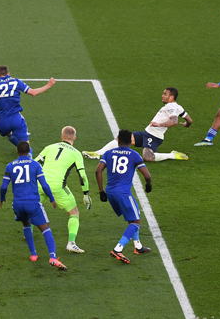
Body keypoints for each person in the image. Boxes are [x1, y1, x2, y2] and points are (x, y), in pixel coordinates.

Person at [0, 141, 67, 270]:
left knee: (26, 224)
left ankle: (33, 255)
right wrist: (52, 199)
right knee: (45, 228)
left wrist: (2, 198)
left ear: (18, 152)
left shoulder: (10, 166)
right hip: (33, 203)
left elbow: (4, 186)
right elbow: (44, 185)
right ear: (29, 150)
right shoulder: (35, 165)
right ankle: (52, 257)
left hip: (18, 204)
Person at [83, 88, 192, 162]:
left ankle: (172, 155)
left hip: (154, 137)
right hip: (147, 133)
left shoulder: (170, 107)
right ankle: (97, 153)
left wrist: (159, 125)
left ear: (172, 97)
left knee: (147, 157)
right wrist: (187, 124)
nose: (162, 96)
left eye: (165, 94)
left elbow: (174, 121)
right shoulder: (179, 107)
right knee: (122, 139)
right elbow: (189, 119)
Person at [95, 130, 153, 264]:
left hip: (110, 192)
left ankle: (137, 246)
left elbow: (98, 171)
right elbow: (147, 176)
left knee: (132, 217)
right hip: (123, 193)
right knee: (135, 222)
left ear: (118, 140)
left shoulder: (108, 153)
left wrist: (101, 191)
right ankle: (118, 249)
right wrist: (148, 185)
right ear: (130, 142)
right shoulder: (134, 155)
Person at [35, 126, 92, 254]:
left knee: (35, 208)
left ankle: (27, 231)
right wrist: (86, 194)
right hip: (57, 187)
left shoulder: (50, 147)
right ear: (74, 138)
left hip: (40, 183)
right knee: (74, 213)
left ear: (62, 137)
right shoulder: (76, 153)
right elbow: (82, 175)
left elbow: (35, 162)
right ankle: (71, 244)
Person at [0, 65, 55, 157]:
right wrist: (48, 85)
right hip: (16, 120)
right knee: (27, 145)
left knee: (8, 133)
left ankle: (18, 145)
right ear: (9, 73)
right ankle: (27, 152)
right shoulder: (16, 81)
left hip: (2, 122)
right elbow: (33, 92)